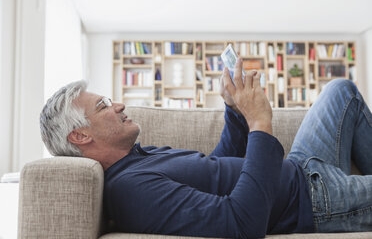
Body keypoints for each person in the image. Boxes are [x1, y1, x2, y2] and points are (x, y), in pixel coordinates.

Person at [39, 58, 372, 238]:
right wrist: (259, 122)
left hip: (301, 166)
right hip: (314, 201)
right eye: (104, 106)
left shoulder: (137, 158)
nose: (119, 105)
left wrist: (235, 112)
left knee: (341, 90)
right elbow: (242, 223)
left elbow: (217, 167)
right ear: (80, 136)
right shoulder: (131, 190)